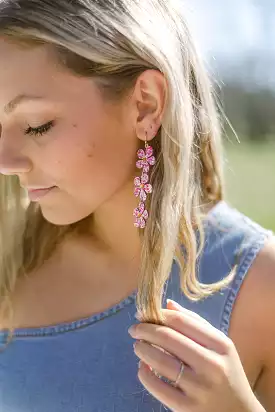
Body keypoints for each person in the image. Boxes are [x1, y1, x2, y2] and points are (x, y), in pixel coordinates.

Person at [0, 0, 274, 411]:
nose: (6, 161)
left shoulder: (260, 286)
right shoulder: (10, 257)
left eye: (37, 124)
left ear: (145, 104)